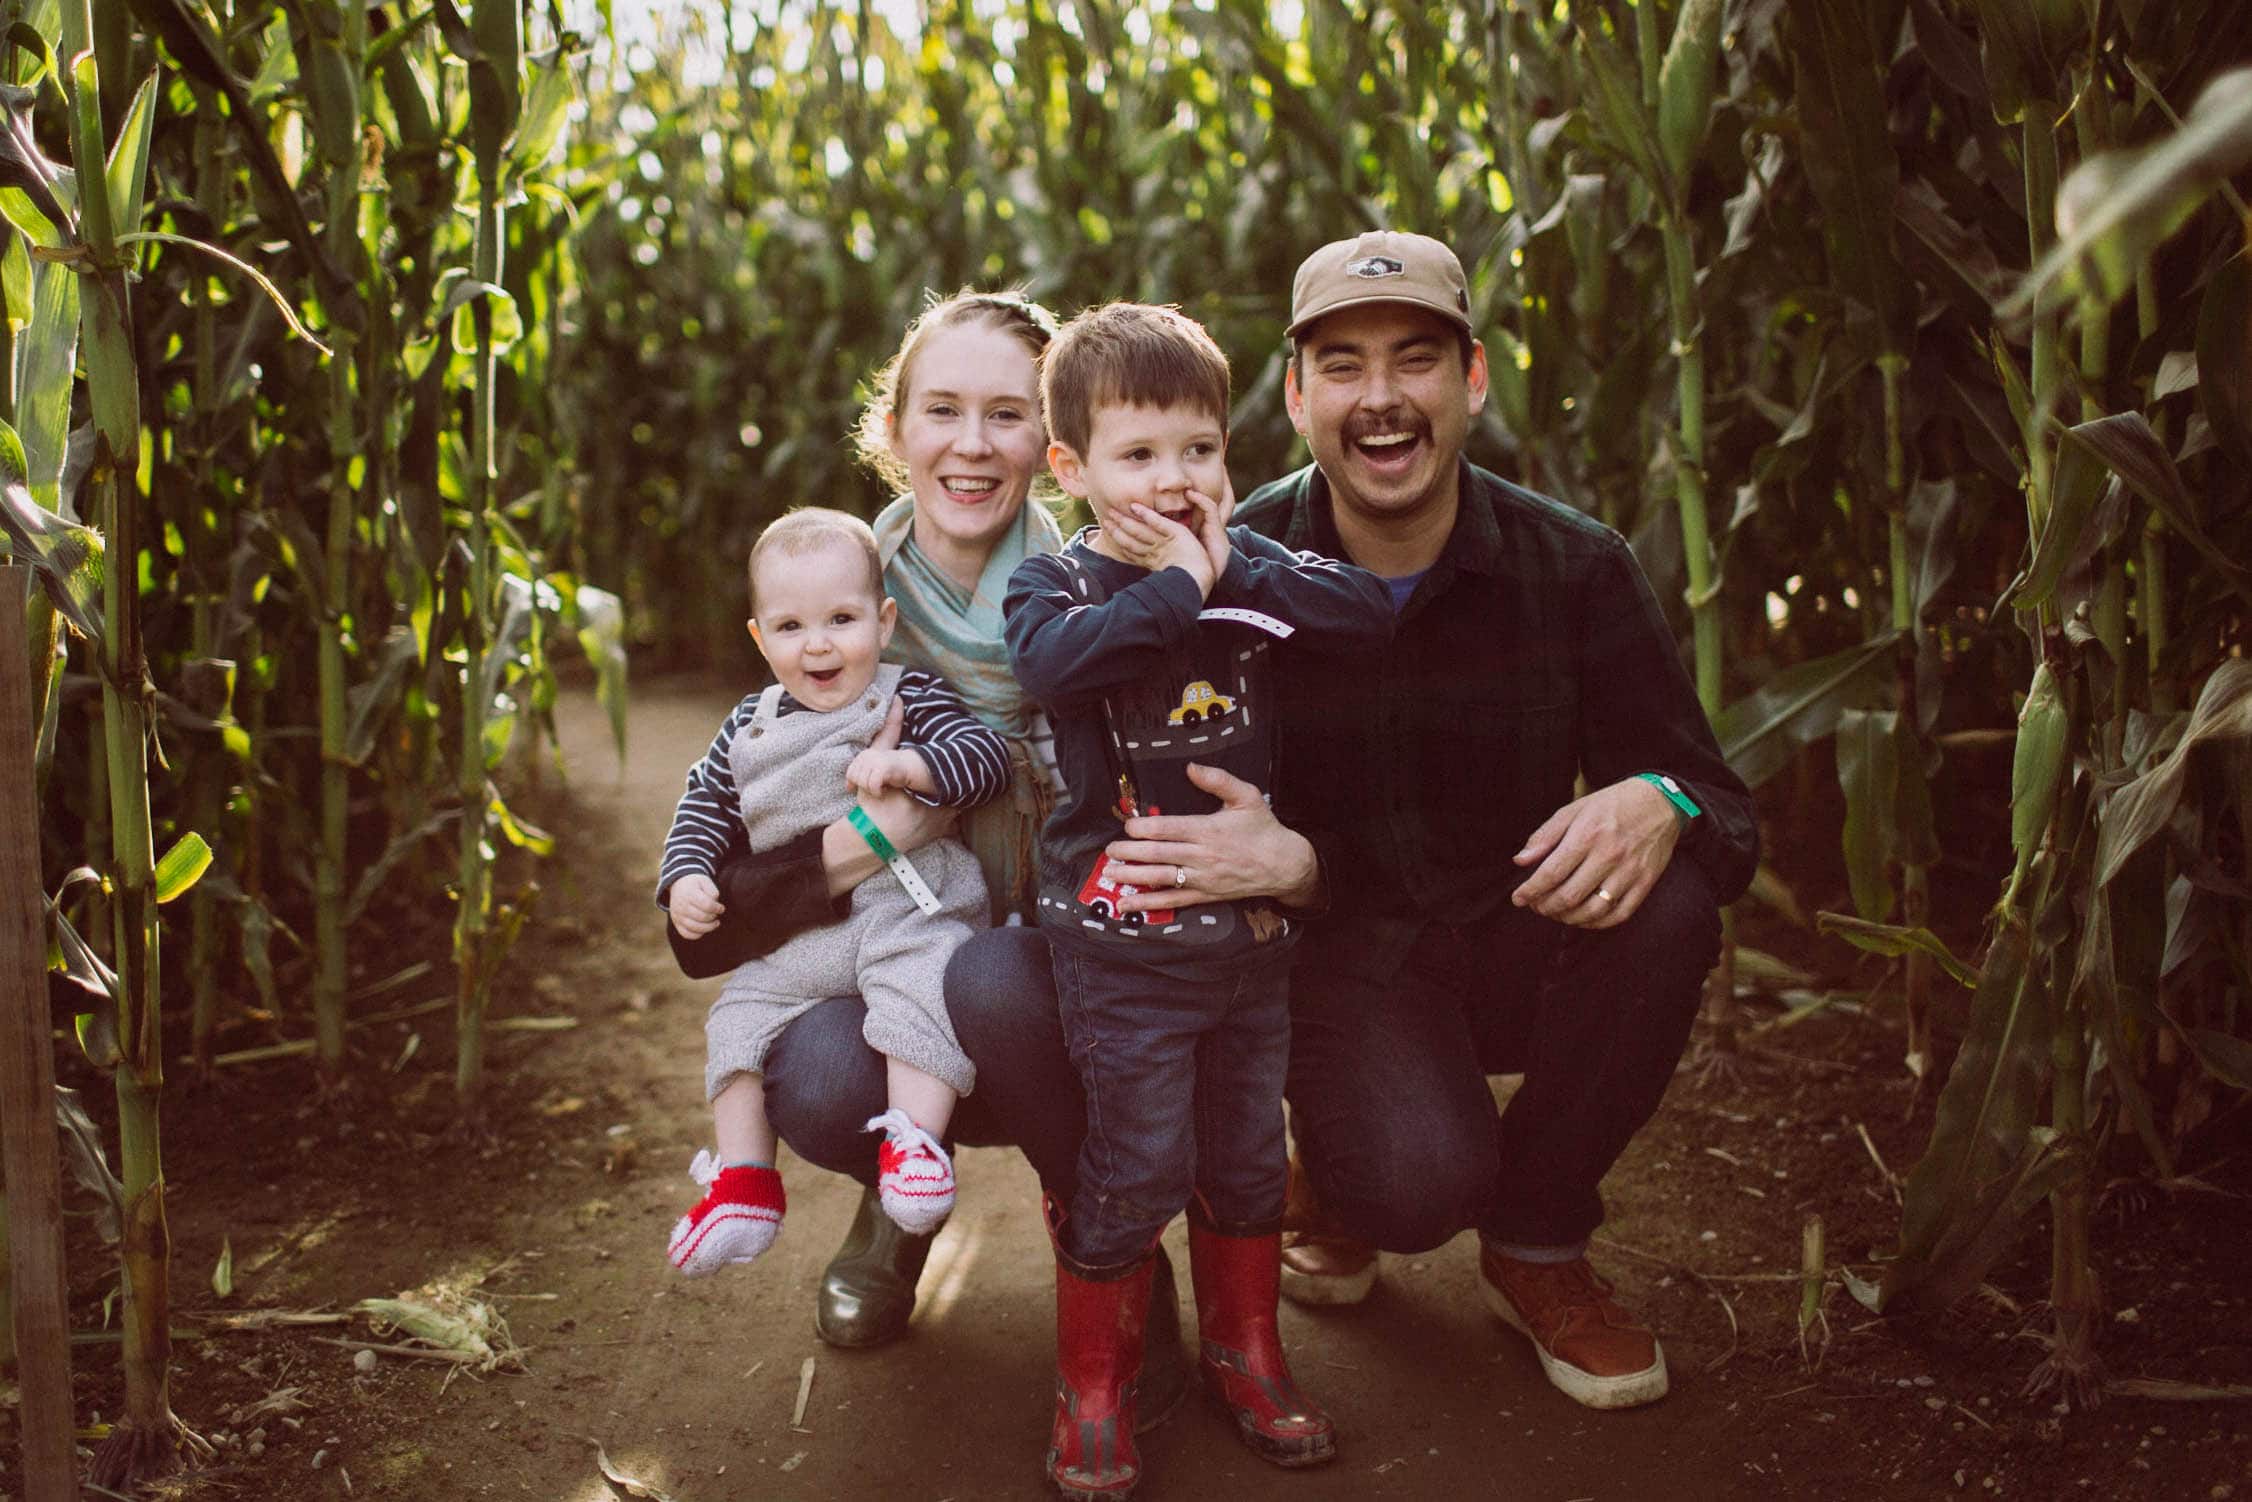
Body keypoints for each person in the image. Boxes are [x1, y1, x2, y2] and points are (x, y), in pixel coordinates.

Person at [945, 231, 1758, 1415]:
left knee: (1672, 901)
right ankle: (1333, 1178)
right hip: (1347, 960)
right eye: (1341, 365)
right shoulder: (1228, 565)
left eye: (1415, 359)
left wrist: (1666, 798)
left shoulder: (1572, 567)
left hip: (1510, 928)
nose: (1380, 398)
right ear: (1296, 395)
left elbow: (1726, 808)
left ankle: (1538, 1243)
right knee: (1412, 1185)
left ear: (1470, 379)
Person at [667, 291, 1197, 1415]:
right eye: (940, 410)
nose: (969, 444)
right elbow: (715, 912)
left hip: (1057, 963)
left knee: (999, 981)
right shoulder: (833, 605)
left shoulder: (1104, 594)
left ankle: (1106, 1239)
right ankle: (895, 1203)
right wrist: (865, 837)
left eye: (1004, 414)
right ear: (894, 428)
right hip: (884, 944)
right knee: (807, 1070)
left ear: (1048, 442)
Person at [1003, 302, 1394, 1498]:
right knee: (1137, 1158)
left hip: (1252, 948)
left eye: (1198, 450)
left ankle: (1247, 1349)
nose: (1175, 480)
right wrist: (1179, 580)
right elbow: (1057, 668)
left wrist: (1230, 564)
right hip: (1119, 950)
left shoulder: (1242, 563)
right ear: (1069, 469)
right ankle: (1097, 1382)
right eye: (1138, 456)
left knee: (1239, 1156)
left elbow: (1361, 617)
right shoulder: (1055, 585)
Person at [658, 508, 1009, 1274]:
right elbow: (702, 810)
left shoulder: (905, 695)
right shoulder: (745, 726)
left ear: (883, 623)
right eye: (790, 627)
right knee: (740, 1016)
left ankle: (914, 1146)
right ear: (760, 638)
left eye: (842, 619)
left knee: (919, 987)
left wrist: (914, 769)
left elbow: (983, 758)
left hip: (906, 908)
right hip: (806, 938)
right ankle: (745, 1180)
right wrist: (684, 877)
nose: (817, 644)